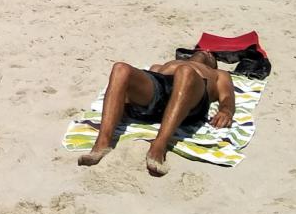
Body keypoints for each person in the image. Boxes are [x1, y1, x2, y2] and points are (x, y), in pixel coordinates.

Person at [77, 49, 236, 177]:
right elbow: (143, 83)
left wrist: (226, 110)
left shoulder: (218, 74)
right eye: (202, 49)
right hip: (160, 92)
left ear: (212, 62)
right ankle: (102, 143)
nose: (206, 51)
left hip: (191, 97)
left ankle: (159, 145)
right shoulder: (164, 65)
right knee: (121, 68)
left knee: (185, 72)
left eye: (211, 54)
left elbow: (227, 97)